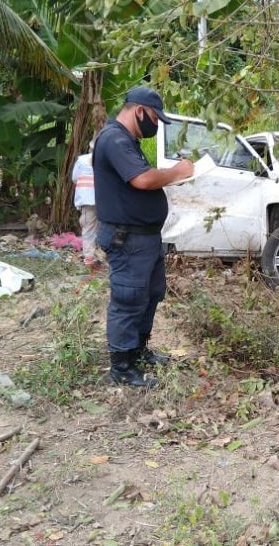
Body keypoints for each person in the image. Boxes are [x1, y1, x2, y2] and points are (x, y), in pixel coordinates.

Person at [93, 86, 194, 388]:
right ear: (139, 111)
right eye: (154, 117)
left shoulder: (127, 140)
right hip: (128, 239)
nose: (156, 124)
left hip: (144, 238)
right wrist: (177, 172)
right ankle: (122, 366)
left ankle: (138, 350)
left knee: (150, 295)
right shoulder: (113, 139)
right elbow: (143, 179)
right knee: (128, 299)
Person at [71, 141, 102, 269]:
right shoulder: (105, 161)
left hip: (88, 200)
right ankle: (95, 255)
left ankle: (90, 256)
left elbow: (74, 178)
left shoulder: (82, 161)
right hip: (102, 200)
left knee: (89, 228)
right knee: (99, 227)